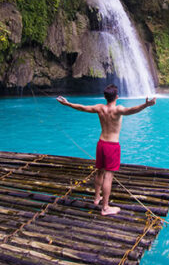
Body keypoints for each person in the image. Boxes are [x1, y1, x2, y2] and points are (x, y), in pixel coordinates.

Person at [57, 84, 156, 216]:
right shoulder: (118, 109)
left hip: (101, 143)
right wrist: (146, 105)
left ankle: (97, 198)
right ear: (117, 96)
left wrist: (67, 104)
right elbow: (132, 110)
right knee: (108, 176)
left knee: (99, 172)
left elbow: (82, 107)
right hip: (112, 145)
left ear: (105, 97)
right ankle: (105, 208)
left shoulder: (100, 108)